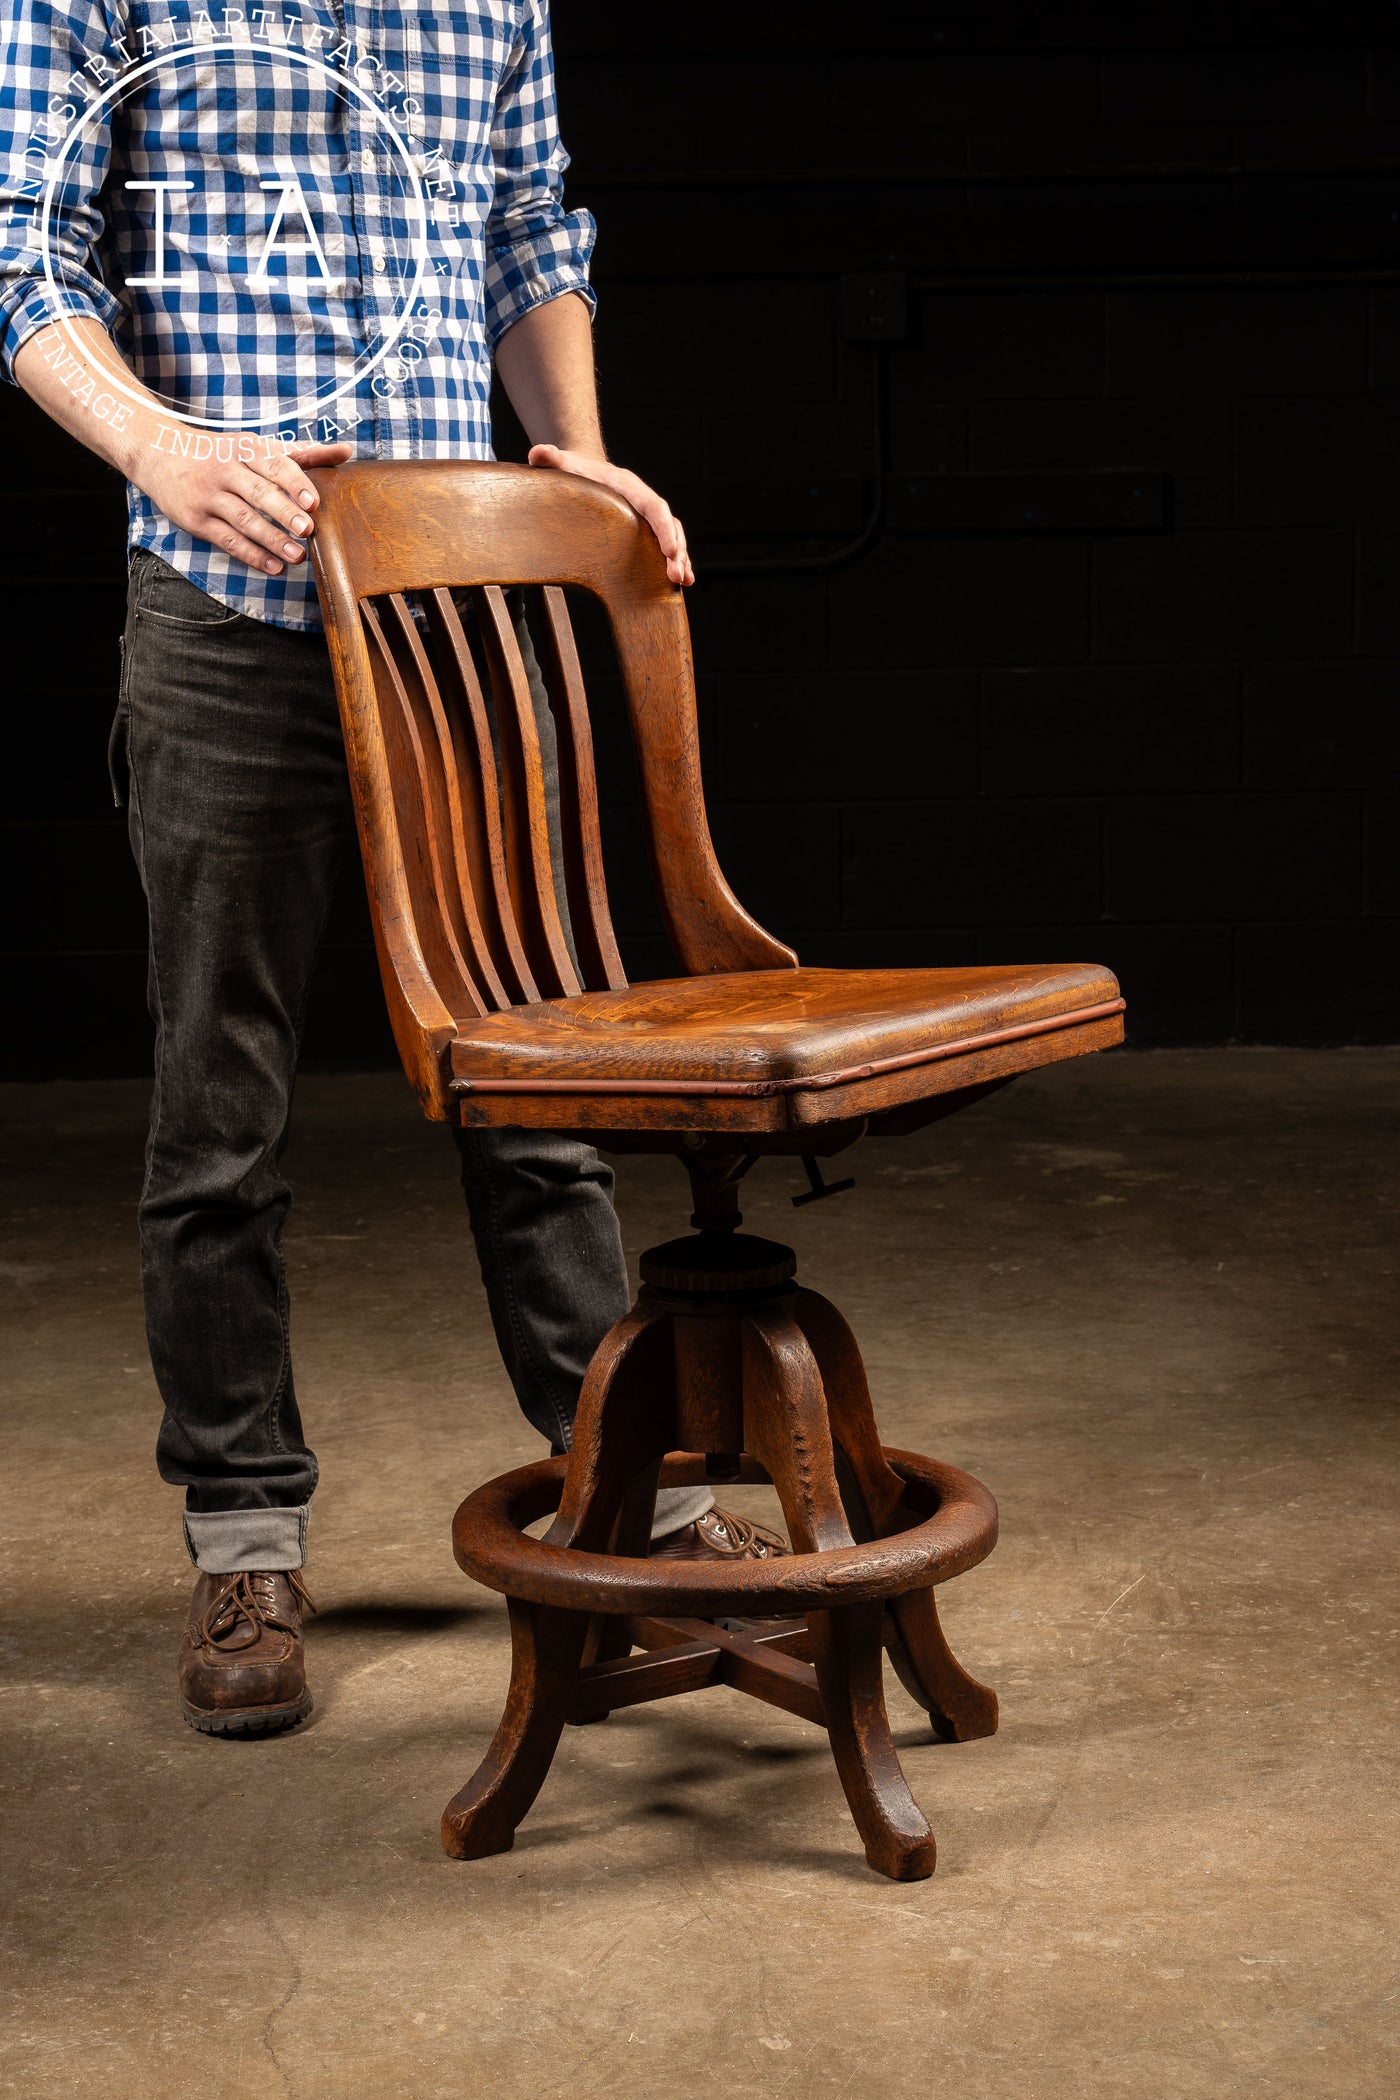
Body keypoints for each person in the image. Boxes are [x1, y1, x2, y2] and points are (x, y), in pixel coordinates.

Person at [0, 0, 785, 1738]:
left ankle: (633, 1492)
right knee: (220, 1113)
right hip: (228, 607)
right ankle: (245, 1540)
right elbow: (24, 260)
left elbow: (527, 221)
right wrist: (163, 449)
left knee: (537, 1087)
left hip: (465, 614)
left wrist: (567, 443)